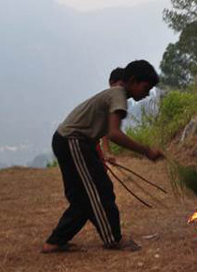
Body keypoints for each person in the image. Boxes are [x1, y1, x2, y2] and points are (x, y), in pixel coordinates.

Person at [42, 60, 164, 253]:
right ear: (132, 80)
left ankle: (55, 242)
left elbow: (105, 130)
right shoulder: (119, 95)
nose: (147, 93)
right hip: (73, 141)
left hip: (74, 142)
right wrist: (146, 151)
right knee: (99, 192)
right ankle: (113, 238)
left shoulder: (115, 93)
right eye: (146, 88)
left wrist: (98, 153)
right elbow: (114, 133)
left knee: (84, 197)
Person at [98, 67, 126, 164]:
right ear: (111, 83)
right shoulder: (108, 100)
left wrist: (107, 152)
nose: (121, 90)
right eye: (120, 85)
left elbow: (105, 131)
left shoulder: (114, 102)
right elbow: (111, 133)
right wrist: (106, 152)